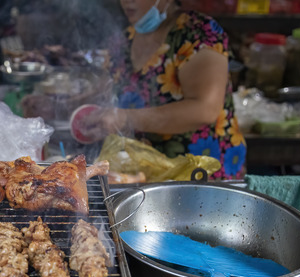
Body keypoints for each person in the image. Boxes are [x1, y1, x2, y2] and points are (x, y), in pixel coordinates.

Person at [80, 0, 246, 179]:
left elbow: (205, 109)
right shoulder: (125, 39)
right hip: (148, 173)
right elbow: (108, 91)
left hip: (201, 174)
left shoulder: (199, 33)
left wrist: (125, 118)